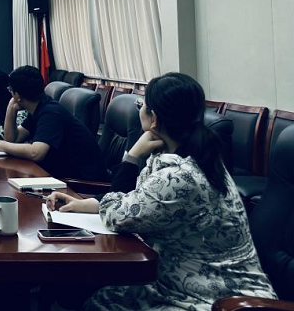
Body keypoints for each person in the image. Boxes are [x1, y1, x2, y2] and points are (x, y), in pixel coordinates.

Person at [46, 73, 276, 311]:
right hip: (184, 281)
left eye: (141, 104)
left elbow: (118, 217)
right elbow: (135, 199)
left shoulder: (177, 176)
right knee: (85, 292)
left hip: (214, 298)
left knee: (87, 297)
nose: (139, 109)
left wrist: (131, 156)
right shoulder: (198, 156)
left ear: (154, 118)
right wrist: (82, 203)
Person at [0, 65, 107, 181]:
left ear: (17, 95)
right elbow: (13, 139)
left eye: (11, 90)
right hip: (60, 174)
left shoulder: (50, 112)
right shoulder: (38, 108)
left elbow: (36, 153)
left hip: (82, 182)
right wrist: (11, 109)